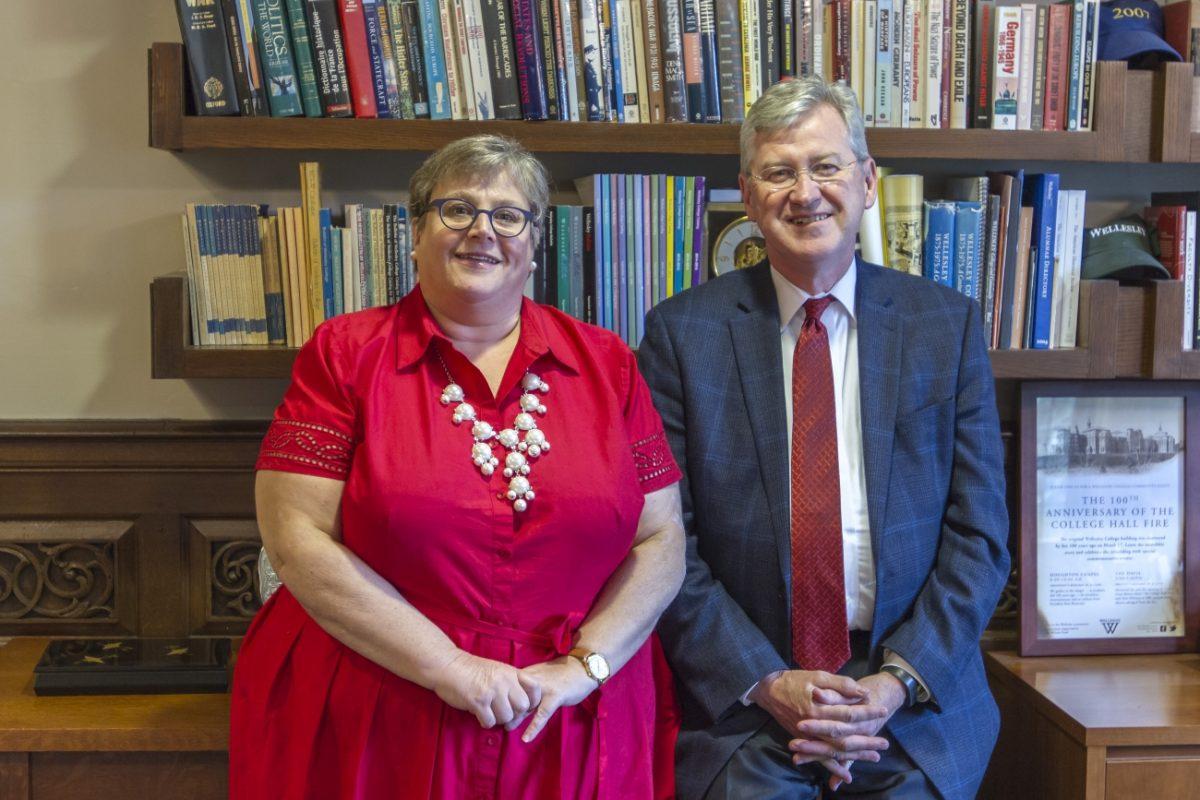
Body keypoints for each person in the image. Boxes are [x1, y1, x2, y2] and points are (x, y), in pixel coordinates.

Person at [231, 134, 686, 799]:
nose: (484, 231)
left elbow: (662, 539)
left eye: (509, 215)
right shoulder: (344, 354)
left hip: (571, 710)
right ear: (415, 234)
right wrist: (445, 664)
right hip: (382, 701)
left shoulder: (607, 363)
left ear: (533, 246)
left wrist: (585, 666)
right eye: (457, 210)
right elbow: (295, 537)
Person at [638, 78, 1010, 800]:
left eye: (827, 166)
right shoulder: (682, 336)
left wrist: (895, 683)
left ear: (868, 182)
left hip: (910, 701)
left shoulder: (946, 327)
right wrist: (770, 682)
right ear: (749, 197)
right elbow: (663, 543)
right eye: (780, 172)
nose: (805, 192)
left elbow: (981, 536)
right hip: (747, 704)